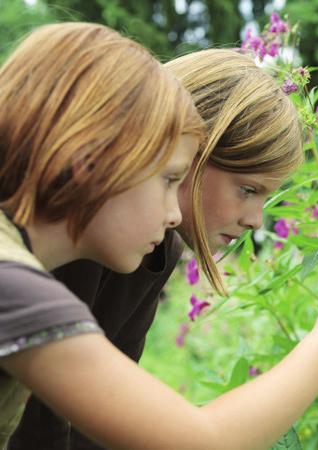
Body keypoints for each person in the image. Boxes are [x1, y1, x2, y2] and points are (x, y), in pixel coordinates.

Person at [6, 48, 318, 449]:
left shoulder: (142, 249)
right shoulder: (29, 268)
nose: (256, 221)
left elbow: (97, 426)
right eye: (247, 190)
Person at [0, 21, 203, 446]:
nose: (173, 216)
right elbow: (202, 441)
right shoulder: (10, 281)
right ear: (88, 159)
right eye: (169, 180)